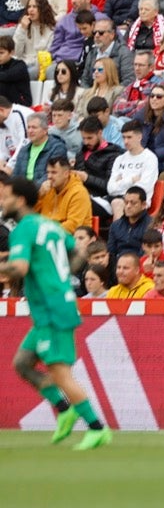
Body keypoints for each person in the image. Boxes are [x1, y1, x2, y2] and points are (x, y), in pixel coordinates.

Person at [2, 176, 111, 450]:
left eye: (6, 197)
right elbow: (78, 252)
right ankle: (65, 409)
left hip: (52, 308)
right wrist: (61, 275)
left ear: (21, 200)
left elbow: (19, 269)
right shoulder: (48, 225)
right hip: (52, 305)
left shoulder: (24, 229)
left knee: (60, 372)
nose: (2, 202)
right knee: (22, 363)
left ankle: (97, 428)